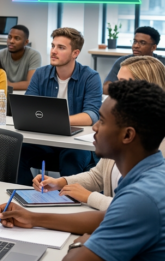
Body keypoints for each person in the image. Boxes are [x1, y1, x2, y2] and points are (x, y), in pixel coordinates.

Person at [0, 80, 165, 261]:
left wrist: (84, 243)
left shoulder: (141, 199)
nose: (95, 127)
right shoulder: (152, 175)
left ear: (127, 135)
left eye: (102, 121)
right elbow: (105, 217)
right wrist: (32, 218)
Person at [33, 55, 165, 211]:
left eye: (123, 83)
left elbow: (136, 207)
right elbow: (97, 176)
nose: (114, 89)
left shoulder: (155, 140)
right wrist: (60, 182)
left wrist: (89, 197)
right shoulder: (121, 127)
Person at [17, 28, 102, 185]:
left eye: (61, 47)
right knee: (14, 153)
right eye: (53, 46)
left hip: (75, 144)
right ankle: (27, 195)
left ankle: (67, 200)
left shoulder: (90, 77)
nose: (53, 51)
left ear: (75, 53)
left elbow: (92, 115)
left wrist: (57, 120)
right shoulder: (40, 74)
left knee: (71, 160)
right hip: (45, 142)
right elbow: (28, 108)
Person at [103, 26, 165, 94]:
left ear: (153, 47)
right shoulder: (123, 62)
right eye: (135, 41)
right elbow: (106, 88)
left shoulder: (161, 63)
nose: (135, 46)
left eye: (142, 42)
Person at [0, 25, 42, 90]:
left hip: (24, 94)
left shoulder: (34, 55)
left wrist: (8, 85)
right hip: (4, 93)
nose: (11, 41)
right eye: (9, 37)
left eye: (17, 38)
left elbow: (31, 83)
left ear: (26, 42)